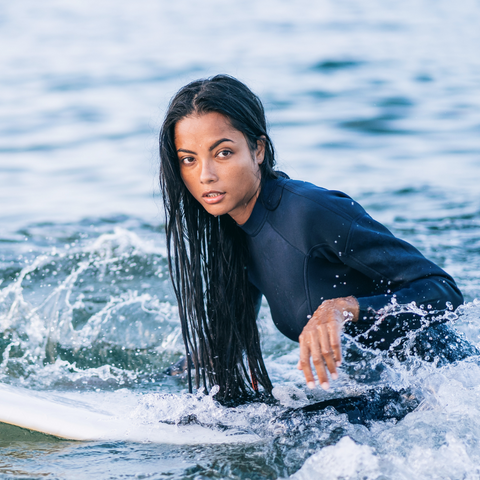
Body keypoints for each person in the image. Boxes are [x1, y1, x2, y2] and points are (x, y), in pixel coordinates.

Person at [159, 74, 469, 403]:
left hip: (446, 389)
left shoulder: (309, 213)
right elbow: (225, 345)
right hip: (375, 391)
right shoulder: (231, 233)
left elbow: (443, 292)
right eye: (189, 160)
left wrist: (345, 309)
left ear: (258, 150)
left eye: (222, 153)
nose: (205, 175)